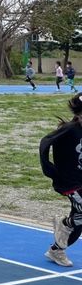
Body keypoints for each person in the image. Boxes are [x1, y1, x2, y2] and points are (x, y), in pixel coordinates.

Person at [40, 93, 82, 266]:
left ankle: (56, 250)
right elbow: (45, 142)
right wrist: (49, 169)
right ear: (79, 114)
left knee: (79, 221)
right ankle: (64, 224)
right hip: (69, 181)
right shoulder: (70, 129)